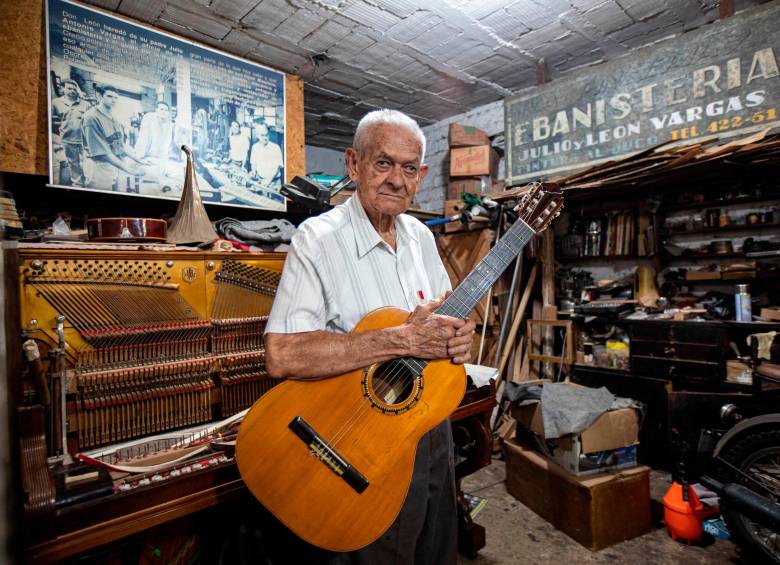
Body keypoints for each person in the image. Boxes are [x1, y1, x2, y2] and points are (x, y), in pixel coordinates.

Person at [264, 109, 475, 564]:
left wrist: (459, 336)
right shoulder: (317, 239)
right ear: (353, 164)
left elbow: (443, 319)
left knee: (435, 549)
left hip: (429, 425)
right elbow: (282, 355)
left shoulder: (420, 235)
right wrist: (402, 340)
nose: (396, 180)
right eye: (383, 163)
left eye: (409, 168)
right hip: (361, 440)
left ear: (420, 176)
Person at [81, 85, 145, 191]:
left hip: (114, 163)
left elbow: (119, 145)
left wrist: (139, 160)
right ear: (99, 96)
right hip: (98, 166)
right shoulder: (91, 117)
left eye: (116, 97)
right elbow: (102, 154)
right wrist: (130, 170)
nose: (113, 100)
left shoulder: (113, 116)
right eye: (109, 96)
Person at [51, 79, 91, 185]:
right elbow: (51, 123)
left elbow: (90, 123)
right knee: (74, 168)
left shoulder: (85, 104)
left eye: (74, 89)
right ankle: (77, 187)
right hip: (67, 142)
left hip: (84, 142)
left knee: (88, 167)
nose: (72, 91)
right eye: (69, 88)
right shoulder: (56, 103)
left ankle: (88, 186)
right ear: (63, 88)